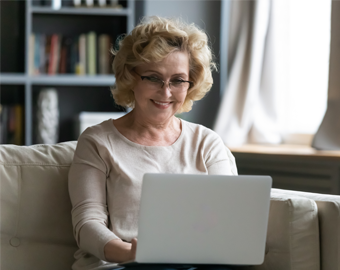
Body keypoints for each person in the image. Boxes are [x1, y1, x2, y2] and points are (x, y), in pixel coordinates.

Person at [68, 16, 238, 270]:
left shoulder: (207, 143)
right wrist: (130, 253)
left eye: (178, 80)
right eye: (153, 78)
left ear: (190, 83)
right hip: (121, 265)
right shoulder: (98, 141)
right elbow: (87, 224)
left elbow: (228, 220)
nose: (166, 92)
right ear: (131, 77)